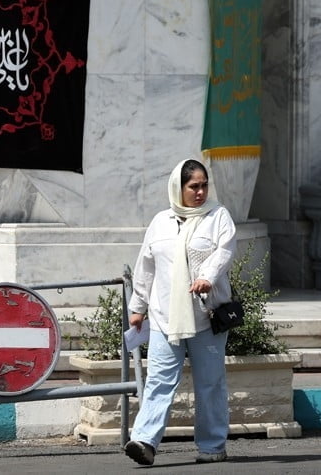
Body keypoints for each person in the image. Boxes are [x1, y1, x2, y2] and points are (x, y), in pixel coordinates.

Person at [124, 158, 237, 466]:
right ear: (179, 188)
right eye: (193, 187)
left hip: (206, 315)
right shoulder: (160, 221)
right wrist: (137, 307)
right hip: (164, 318)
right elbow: (145, 267)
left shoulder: (218, 217)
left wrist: (207, 277)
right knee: (160, 380)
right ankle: (145, 441)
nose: (200, 192)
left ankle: (212, 446)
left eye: (204, 186)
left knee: (210, 382)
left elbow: (224, 251)